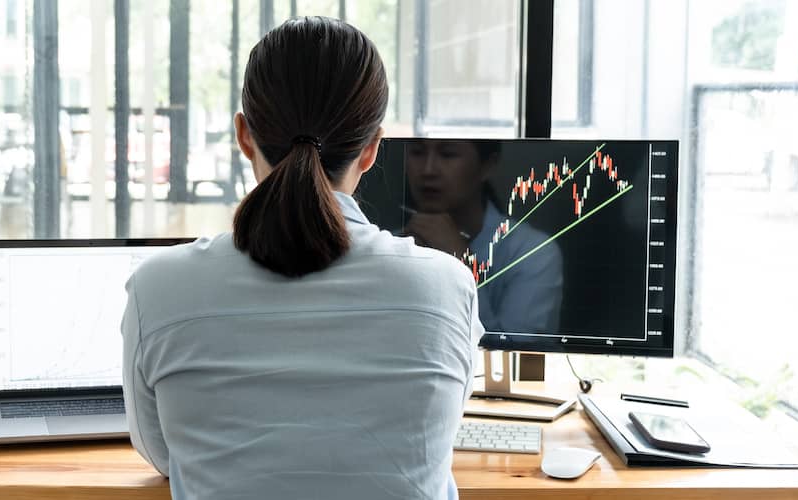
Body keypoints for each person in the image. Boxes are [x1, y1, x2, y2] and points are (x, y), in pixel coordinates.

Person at [121, 17, 483, 500]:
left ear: (243, 136)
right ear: (373, 148)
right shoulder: (448, 287)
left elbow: (164, 455)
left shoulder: (158, 288)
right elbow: (438, 437)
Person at [404, 140, 563, 334]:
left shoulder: (533, 252)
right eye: (417, 152)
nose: (428, 170)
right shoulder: (391, 245)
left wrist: (463, 263)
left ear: (487, 165)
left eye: (448, 154)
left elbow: (518, 350)